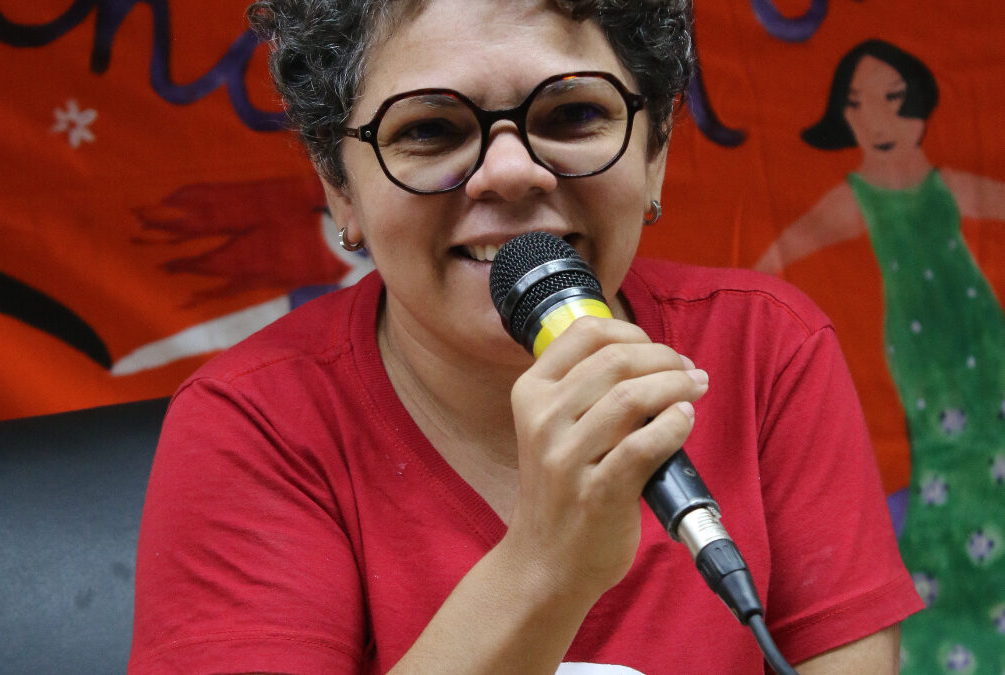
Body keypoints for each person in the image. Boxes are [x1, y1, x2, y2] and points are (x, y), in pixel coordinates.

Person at [129, 2, 922, 672]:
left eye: (572, 115)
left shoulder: (765, 349)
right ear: (339, 186)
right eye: (430, 129)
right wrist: (545, 563)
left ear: (655, 151)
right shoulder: (253, 422)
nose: (510, 173)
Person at [755, 39, 1005, 672]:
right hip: (920, 349)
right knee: (946, 462)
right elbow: (784, 248)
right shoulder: (860, 194)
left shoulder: (943, 185)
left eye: (894, 99)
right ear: (844, 116)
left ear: (920, 104)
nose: (880, 119)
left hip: (982, 332)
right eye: (860, 104)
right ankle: (949, 632)